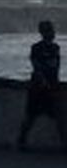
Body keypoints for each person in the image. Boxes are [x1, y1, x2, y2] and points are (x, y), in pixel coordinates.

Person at [16, 20, 67, 151]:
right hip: (38, 89)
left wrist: (54, 85)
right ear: (43, 33)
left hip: (52, 88)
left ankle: (64, 145)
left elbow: (56, 68)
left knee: (60, 116)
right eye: (49, 30)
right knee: (30, 117)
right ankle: (20, 142)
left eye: (52, 30)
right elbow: (37, 67)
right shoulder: (36, 48)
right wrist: (44, 82)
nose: (52, 33)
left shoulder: (55, 48)